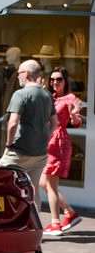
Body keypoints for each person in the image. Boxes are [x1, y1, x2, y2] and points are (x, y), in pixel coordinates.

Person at [0, 59, 58, 212]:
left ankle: (0, 221)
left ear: (26, 74)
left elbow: (12, 123)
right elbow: (54, 122)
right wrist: (44, 138)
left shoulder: (20, 94)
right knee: (34, 189)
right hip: (40, 153)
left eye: (18, 73)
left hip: (20, 151)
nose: (17, 77)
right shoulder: (47, 95)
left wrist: (8, 145)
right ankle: (35, 228)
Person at [39, 67, 83, 235]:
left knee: (50, 184)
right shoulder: (52, 97)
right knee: (44, 183)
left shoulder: (69, 97)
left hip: (59, 141)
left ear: (65, 82)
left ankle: (56, 224)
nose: (55, 82)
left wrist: (73, 115)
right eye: (52, 80)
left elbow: (78, 123)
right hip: (49, 140)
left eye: (58, 79)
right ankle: (70, 213)